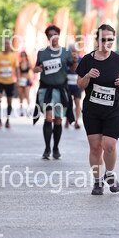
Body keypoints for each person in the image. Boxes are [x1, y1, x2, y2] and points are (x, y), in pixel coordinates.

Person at [76, 24, 119, 195]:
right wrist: (87, 76)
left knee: (109, 145)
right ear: (97, 40)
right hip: (92, 110)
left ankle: (110, 173)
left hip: (113, 109)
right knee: (95, 148)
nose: (107, 43)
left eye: (110, 39)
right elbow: (80, 85)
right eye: (103, 39)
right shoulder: (87, 60)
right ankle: (98, 181)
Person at [33, 25, 78, 160]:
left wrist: (75, 61)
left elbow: (74, 69)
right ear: (47, 37)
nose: (53, 37)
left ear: (58, 35)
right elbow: (36, 67)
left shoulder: (66, 52)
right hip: (46, 89)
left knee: (58, 120)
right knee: (48, 117)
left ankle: (56, 148)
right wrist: (36, 69)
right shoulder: (42, 53)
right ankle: (47, 148)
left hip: (61, 90)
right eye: (50, 35)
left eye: (55, 34)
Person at [0, 40, 18, 128]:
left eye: (8, 44)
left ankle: (8, 120)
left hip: (10, 82)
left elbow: (16, 68)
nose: (7, 46)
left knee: (9, 101)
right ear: (3, 45)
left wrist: (17, 80)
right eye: (5, 44)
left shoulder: (13, 56)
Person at [66, 44, 82, 129]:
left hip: (77, 85)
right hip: (67, 85)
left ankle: (76, 121)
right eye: (71, 51)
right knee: (68, 104)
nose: (73, 53)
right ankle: (67, 120)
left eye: (75, 51)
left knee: (77, 103)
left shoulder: (81, 59)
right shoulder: (66, 59)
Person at [17, 51, 32, 116]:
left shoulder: (28, 63)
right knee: (21, 96)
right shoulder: (19, 64)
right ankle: (21, 110)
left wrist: (32, 78)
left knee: (27, 95)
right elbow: (18, 73)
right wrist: (18, 81)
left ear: (26, 56)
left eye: (24, 55)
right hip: (21, 81)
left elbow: (32, 71)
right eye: (22, 56)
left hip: (27, 80)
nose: (23, 57)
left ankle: (28, 110)